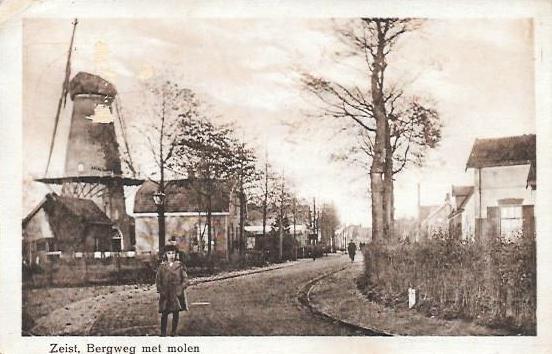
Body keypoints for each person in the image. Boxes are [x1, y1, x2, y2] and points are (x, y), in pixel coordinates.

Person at [156, 244, 189, 336]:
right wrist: (161, 290)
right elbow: (158, 280)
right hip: (166, 293)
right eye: (169, 253)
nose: (171, 255)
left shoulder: (180, 266)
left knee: (176, 313)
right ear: (165, 255)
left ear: (176, 254)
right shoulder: (162, 267)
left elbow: (185, 280)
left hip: (176, 293)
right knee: (164, 313)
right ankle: (163, 333)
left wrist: (181, 288)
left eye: (173, 253)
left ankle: (173, 332)